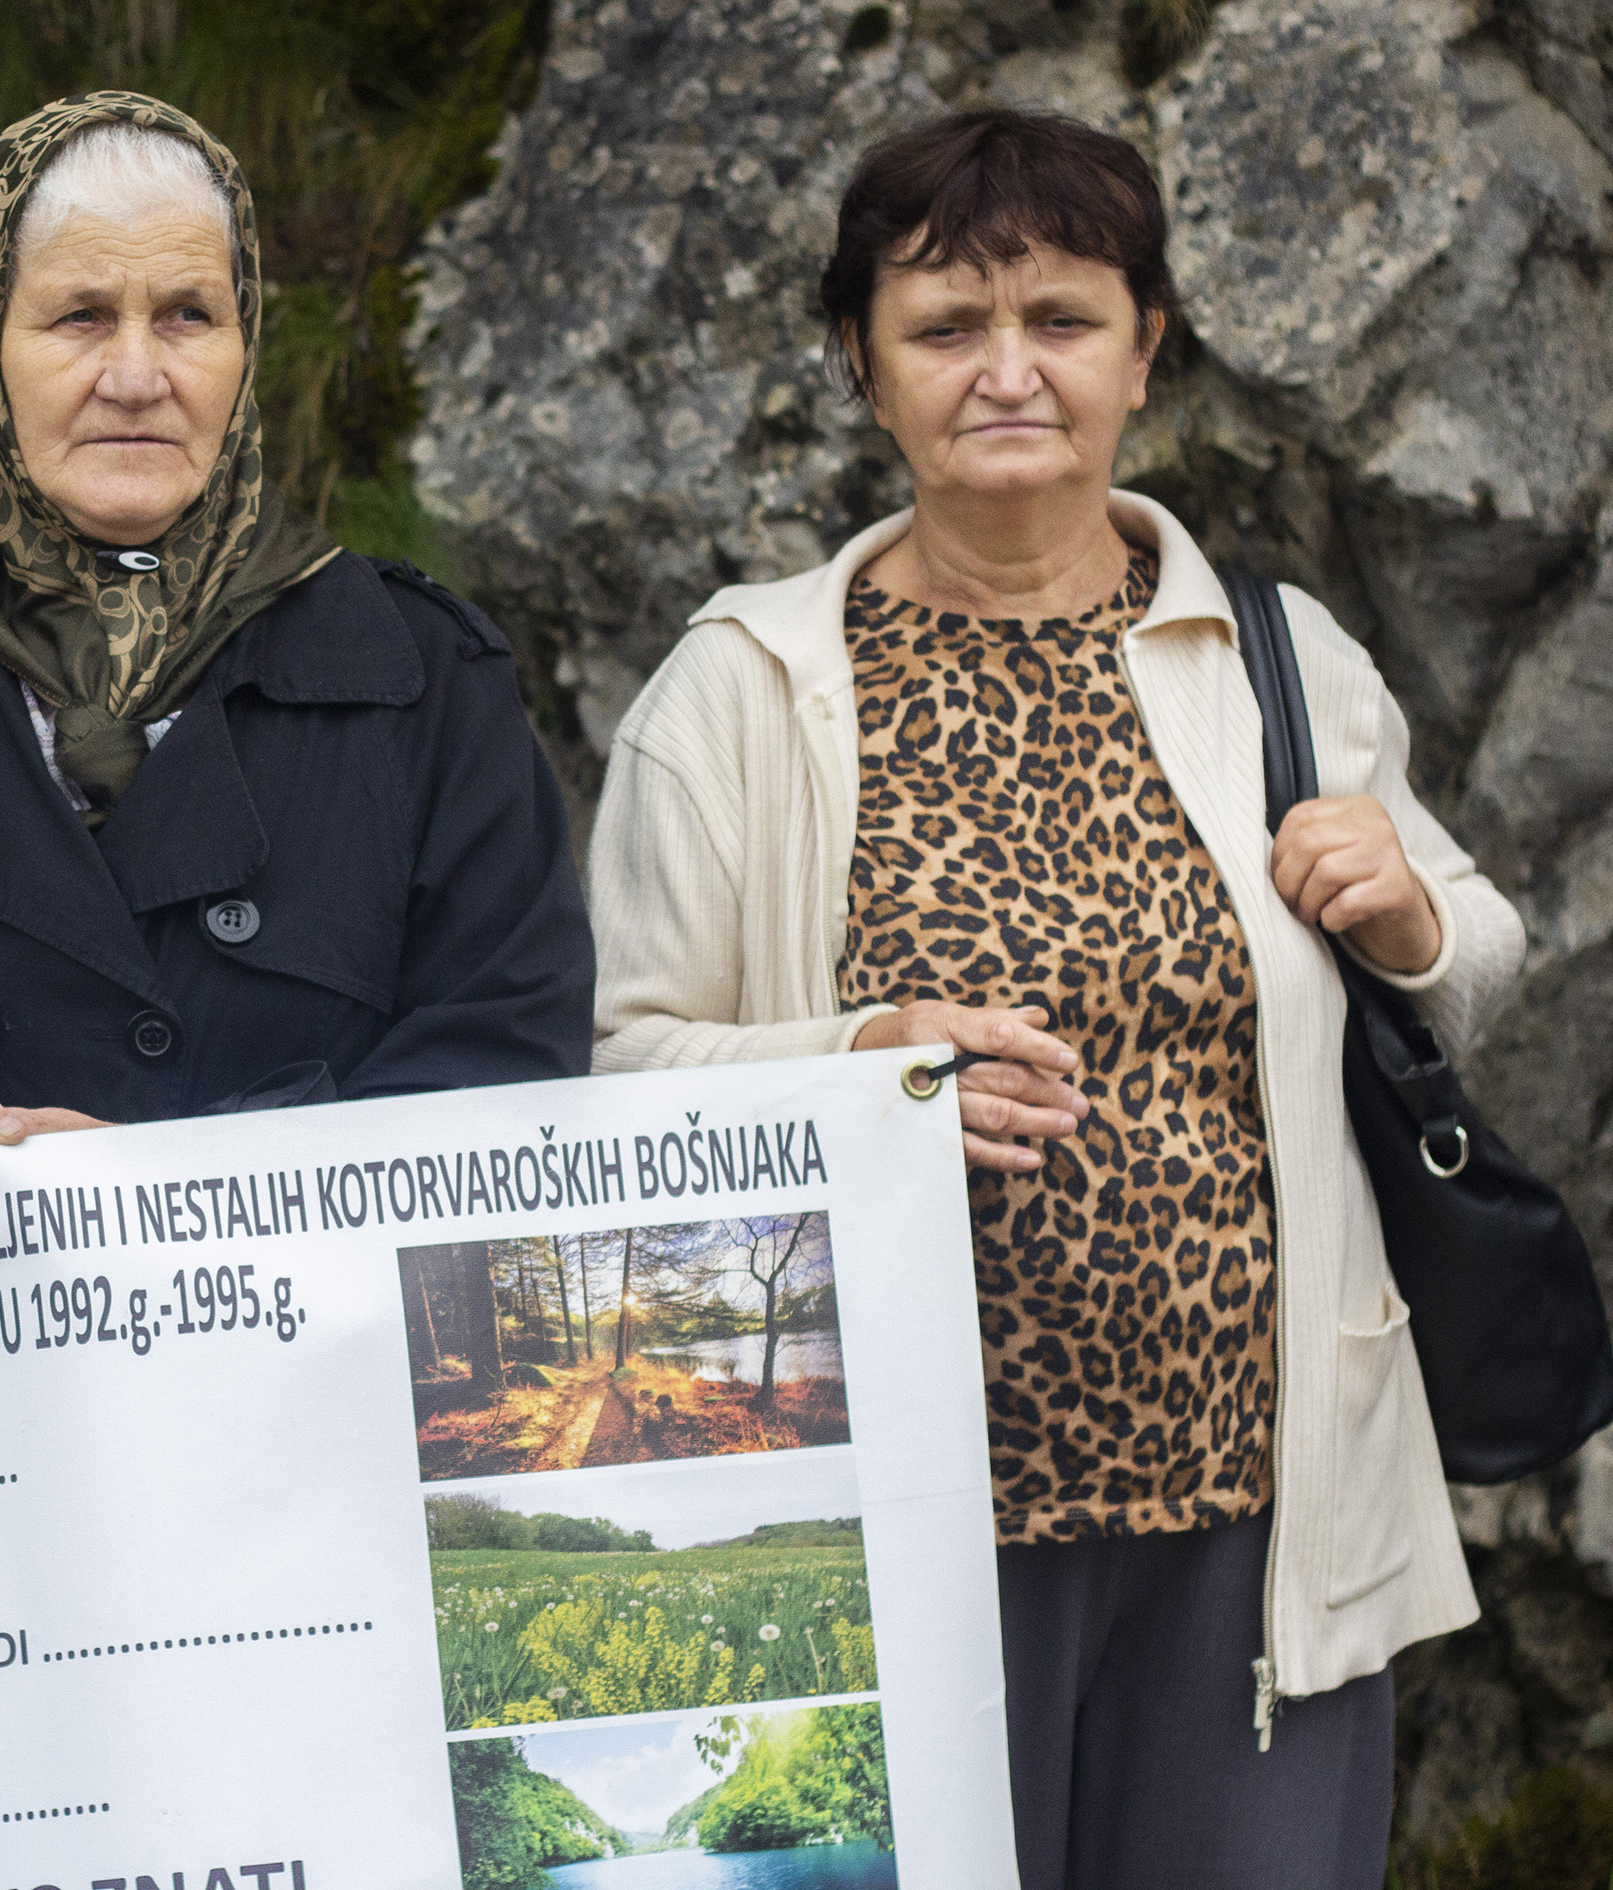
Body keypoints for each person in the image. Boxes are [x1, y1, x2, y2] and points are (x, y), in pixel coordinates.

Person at [583, 110, 1522, 1886]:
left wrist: (1405, 916)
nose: (1007, 370)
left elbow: (1474, 959)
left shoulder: (1278, 655)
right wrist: (855, 1064)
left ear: (1145, 347)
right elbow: (616, 1070)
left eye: (1063, 320)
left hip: (1257, 1516)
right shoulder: (741, 687)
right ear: (863, 368)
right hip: (884, 1530)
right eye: (944, 328)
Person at [0, 92, 591, 1173]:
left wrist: (170, 1189)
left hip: (292, 1333)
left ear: (244, 341)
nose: (136, 376)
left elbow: (509, 1070)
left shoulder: (424, 674)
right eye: (80, 316)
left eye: (187, 315)